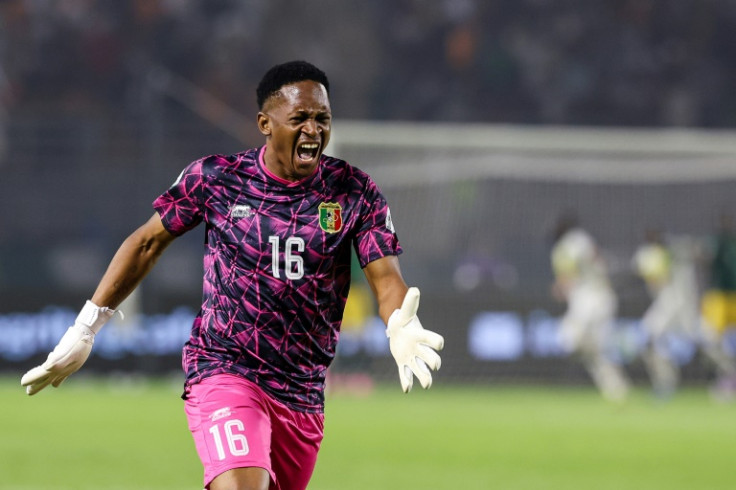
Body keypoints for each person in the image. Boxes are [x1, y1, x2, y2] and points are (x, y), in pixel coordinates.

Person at [20, 60, 445, 490]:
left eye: (322, 119)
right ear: (265, 123)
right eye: (300, 118)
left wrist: (398, 322)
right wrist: (86, 327)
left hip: (302, 393)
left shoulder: (354, 191)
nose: (314, 130)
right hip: (224, 369)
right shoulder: (218, 179)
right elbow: (147, 242)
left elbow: (385, 276)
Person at [550, 214, 630, 403]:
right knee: (595, 352)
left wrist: (561, 285)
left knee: (568, 337)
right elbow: (597, 262)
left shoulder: (571, 243)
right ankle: (617, 390)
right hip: (602, 297)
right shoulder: (583, 239)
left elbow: (568, 273)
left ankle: (625, 348)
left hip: (590, 298)